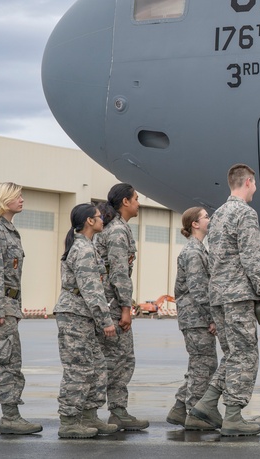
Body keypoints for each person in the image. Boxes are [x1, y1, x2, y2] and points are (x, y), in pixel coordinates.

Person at [190, 164, 260, 436]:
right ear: (248, 182)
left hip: (219, 296)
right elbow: (250, 258)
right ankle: (234, 415)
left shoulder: (218, 215)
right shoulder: (245, 214)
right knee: (245, 356)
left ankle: (206, 404)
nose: (256, 189)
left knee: (233, 354)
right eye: (255, 184)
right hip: (238, 296)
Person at [54, 204, 118, 439]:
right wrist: (105, 321)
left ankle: (89, 416)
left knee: (98, 366)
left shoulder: (88, 246)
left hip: (84, 315)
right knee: (78, 369)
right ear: (90, 221)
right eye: (99, 217)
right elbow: (92, 290)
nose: (103, 220)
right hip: (75, 316)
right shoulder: (83, 249)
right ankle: (69, 421)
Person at [0, 183, 42, 435]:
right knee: (6, 362)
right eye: (17, 196)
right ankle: (10, 417)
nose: (22, 199)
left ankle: (10, 415)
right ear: (5, 199)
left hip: (7, 306)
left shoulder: (8, 230)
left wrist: (13, 308)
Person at [94, 183, 148, 430]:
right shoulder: (117, 231)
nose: (139, 202)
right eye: (136, 198)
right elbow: (119, 274)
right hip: (113, 305)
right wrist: (126, 308)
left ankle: (117, 410)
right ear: (125, 202)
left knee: (119, 359)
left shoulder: (118, 229)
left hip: (111, 304)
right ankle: (116, 411)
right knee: (120, 359)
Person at [169, 207, 218, 430]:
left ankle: (180, 408)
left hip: (195, 316)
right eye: (206, 216)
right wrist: (212, 317)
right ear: (195, 224)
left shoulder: (199, 250)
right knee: (204, 365)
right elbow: (199, 290)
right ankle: (194, 414)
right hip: (196, 317)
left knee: (201, 364)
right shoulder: (193, 252)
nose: (210, 219)